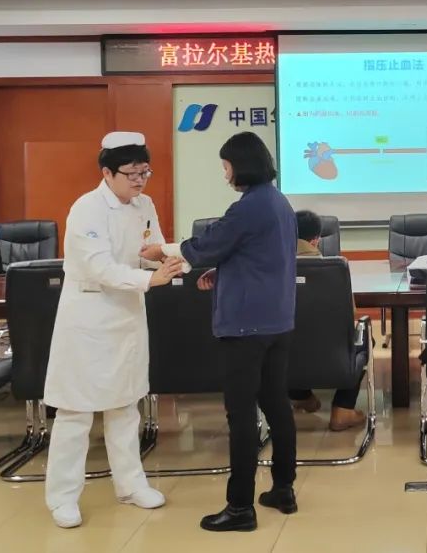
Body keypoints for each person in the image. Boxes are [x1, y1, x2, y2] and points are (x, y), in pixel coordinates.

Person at [146, 132, 297, 532]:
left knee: (241, 414)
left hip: (246, 325)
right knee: (276, 405)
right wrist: (223, 271)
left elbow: (208, 244)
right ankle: (284, 489)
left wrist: (163, 251)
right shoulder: (278, 201)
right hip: (277, 319)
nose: (225, 173)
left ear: (241, 165)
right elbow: (260, 256)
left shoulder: (247, 207)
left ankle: (240, 507)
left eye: (226, 166)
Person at [43, 132, 182, 529]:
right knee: (76, 412)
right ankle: (62, 497)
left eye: (145, 172)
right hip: (89, 317)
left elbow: (148, 248)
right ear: (107, 173)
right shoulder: (86, 208)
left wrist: (165, 259)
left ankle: (131, 485)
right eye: (131, 174)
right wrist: (149, 279)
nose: (140, 181)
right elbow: (98, 267)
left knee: (125, 405)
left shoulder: (144, 204)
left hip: (127, 316)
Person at [288, 209, 367, 432]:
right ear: (316, 240)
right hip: (330, 352)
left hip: (282, 351)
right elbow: (349, 315)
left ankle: (301, 395)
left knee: (285, 340)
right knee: (363, 337)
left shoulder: (270, 266)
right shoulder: (334, 269)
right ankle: (343, 408)